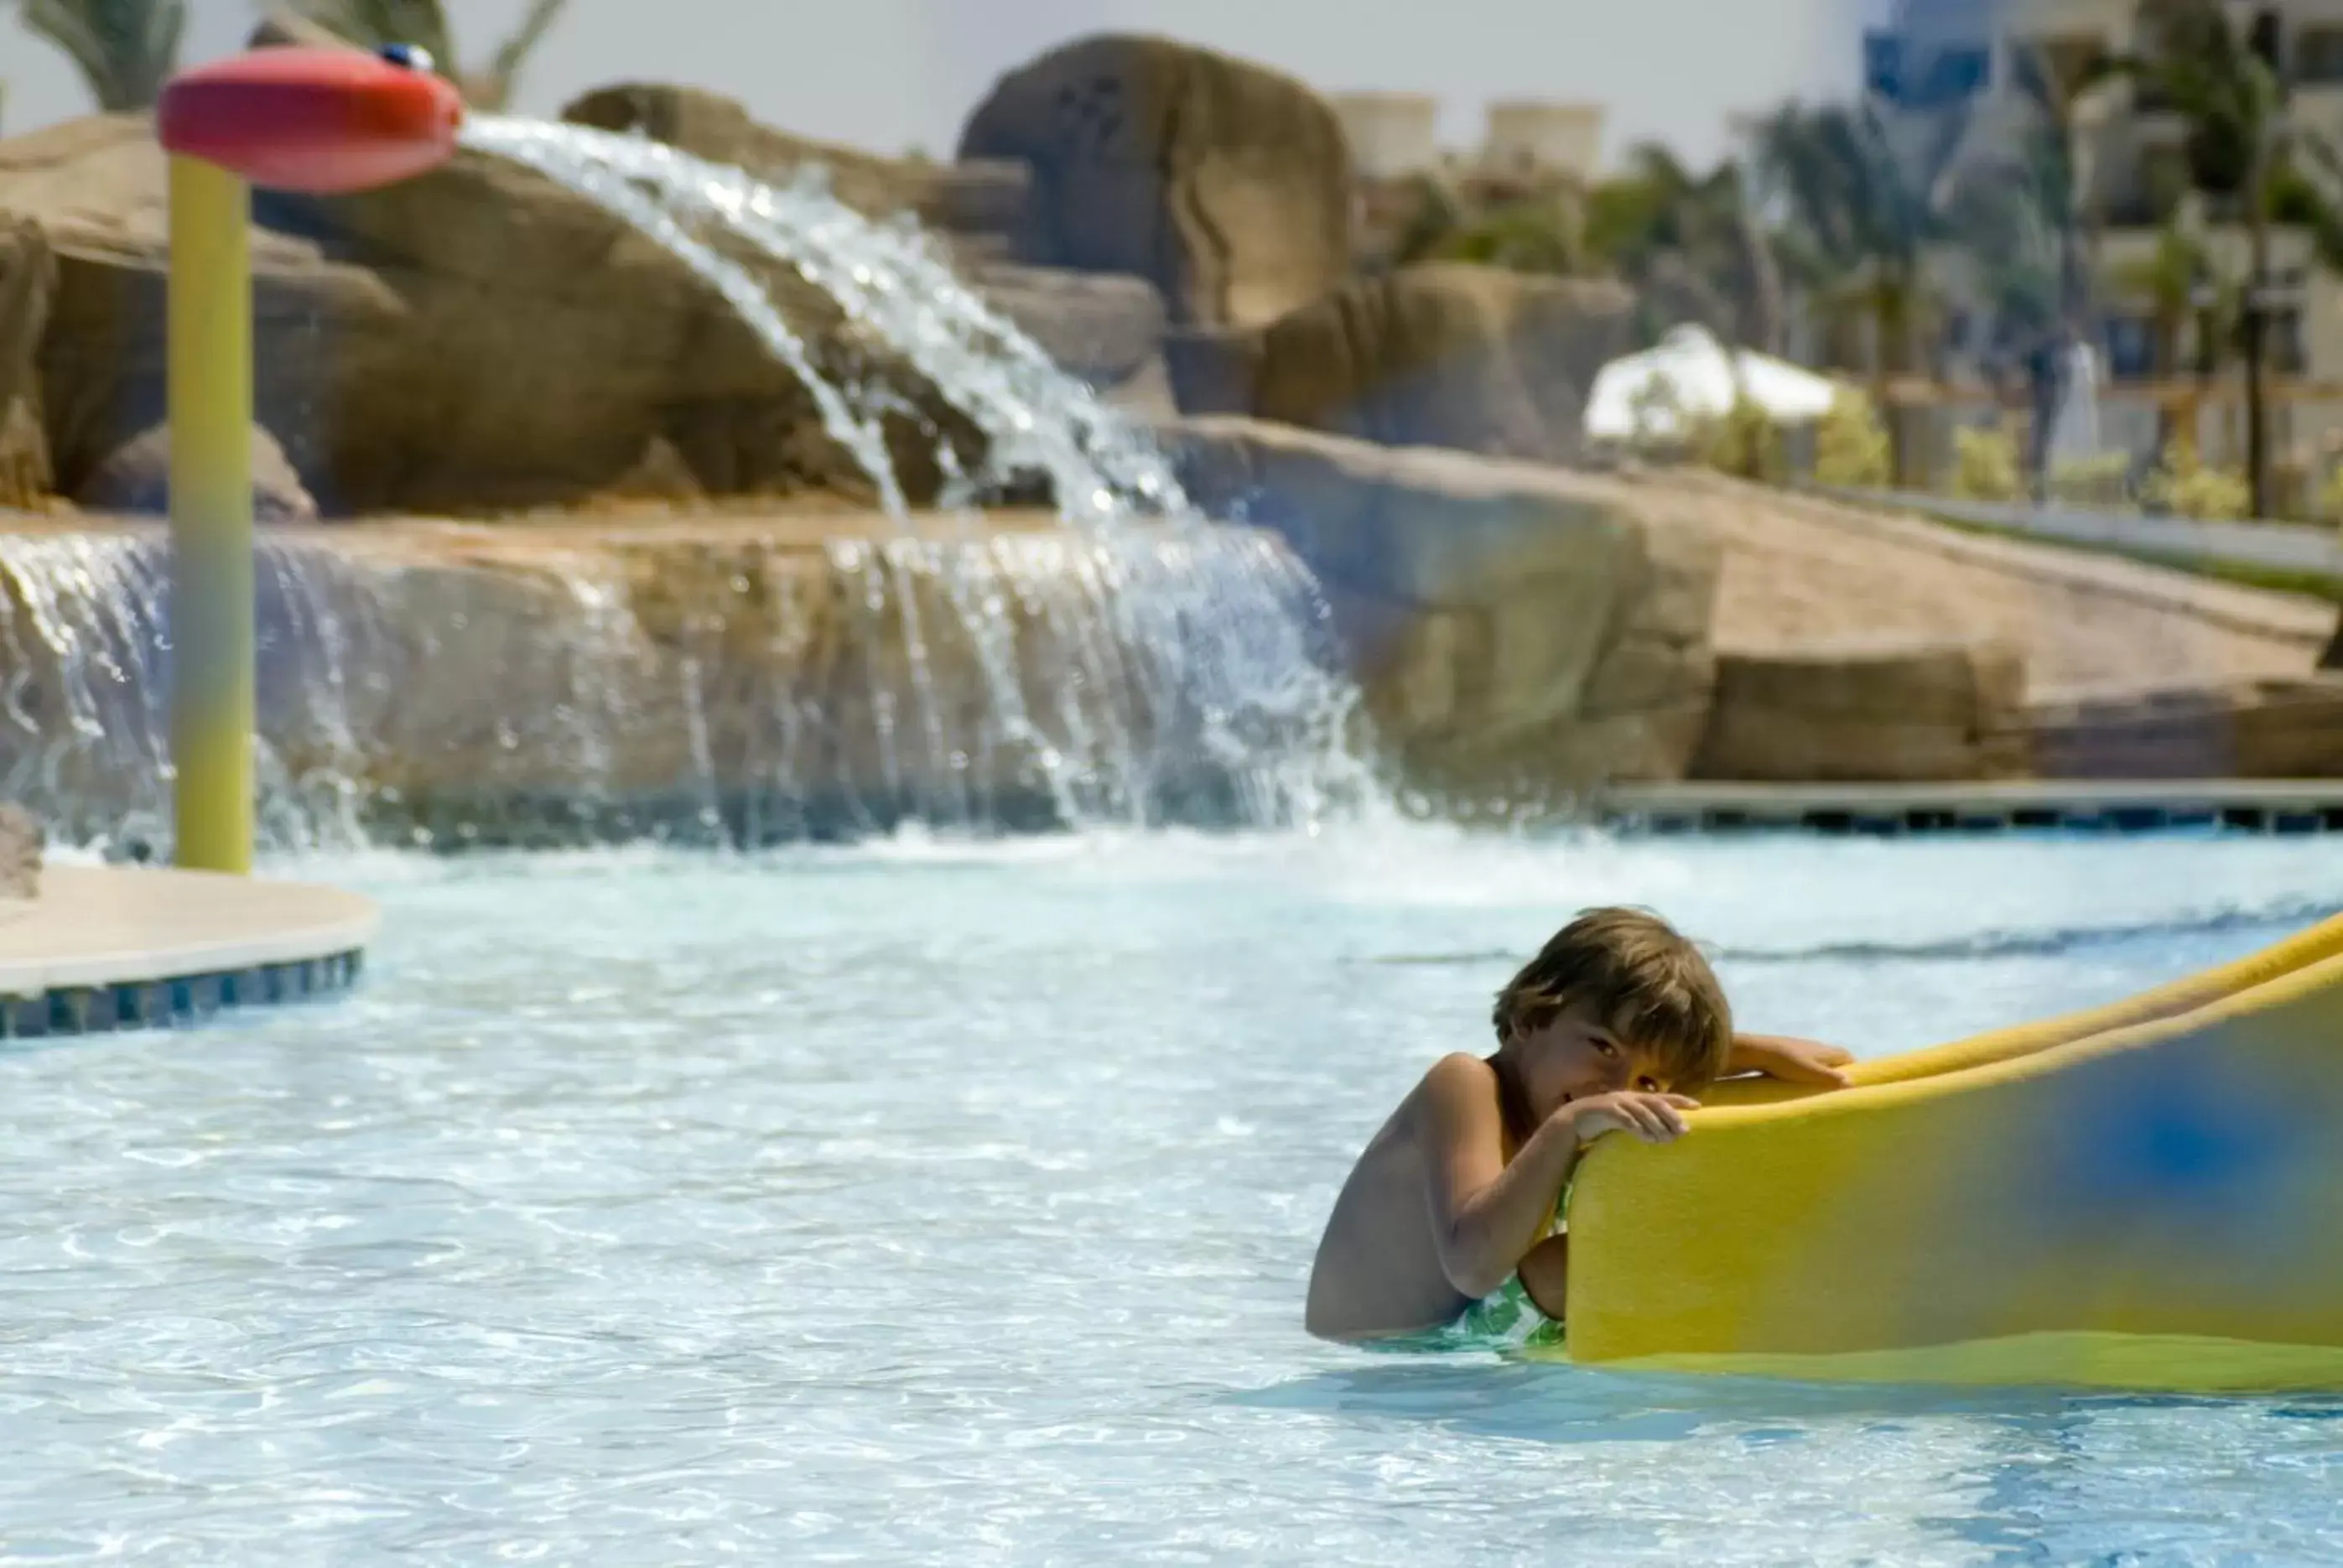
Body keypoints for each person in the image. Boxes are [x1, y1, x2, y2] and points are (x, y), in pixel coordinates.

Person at [1304, 906, 1852, 1343]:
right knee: (1588, 1255)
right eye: (1602, 1046)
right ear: (1529, 1018)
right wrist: (1567, 1127)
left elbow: (1832, 1058)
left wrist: (1752, 1051)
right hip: (1392, 1358)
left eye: (1647, 1080)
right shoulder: (1464, 1085)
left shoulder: (1581, 1092)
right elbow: (1471, 1267)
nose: (1618, 1086)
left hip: (1466, 1343)